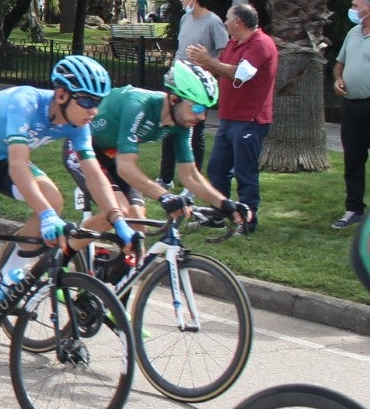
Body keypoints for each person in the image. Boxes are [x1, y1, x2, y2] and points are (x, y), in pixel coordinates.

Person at [0, 56, 136, 372]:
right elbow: (18, 166)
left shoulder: (79, 123)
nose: (93, 109)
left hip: (1, 161)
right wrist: (47, 216)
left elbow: (93, 172)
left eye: (98, 102)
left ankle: (6, 278)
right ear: (62, 94)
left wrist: (118, 219)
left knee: (53, 198)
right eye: (87, 100)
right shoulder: (24, 103)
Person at [69, 64, 248, 274]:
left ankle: (107, 283)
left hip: (112, 154)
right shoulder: (139, 105)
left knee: (139, 226)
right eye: (198, 108)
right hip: (83, 149)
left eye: (206, 110)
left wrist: (225, 204)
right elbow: (126, 167)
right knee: (119, 211)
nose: (202, 117)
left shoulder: (181, 124)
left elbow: (190, 175)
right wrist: (164, 196)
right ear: (174, 99)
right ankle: (63, 251)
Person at [190, 3, 278, 235]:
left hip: (250, 120)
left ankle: (247, 221)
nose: (225, 22)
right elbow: (222, 69)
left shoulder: (260, 44)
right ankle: (218, 216)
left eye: (228, 18)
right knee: (217, 169)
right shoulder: (234, 42)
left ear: (238, 22)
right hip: (229, 118)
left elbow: (241, 74)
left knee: (245, 173)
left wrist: (209, 61)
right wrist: (203, 65)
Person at [162, 0, 231, 185]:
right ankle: (165, 178)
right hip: (176, 81)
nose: (181, 1)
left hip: (197, 86)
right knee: (169, 125)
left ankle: (194, 180)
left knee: (195, 130)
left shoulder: (213, 22)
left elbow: (223, 53)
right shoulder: (185, 18)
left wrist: (209, 73)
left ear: (194, 0)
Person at [334, 0, 370, 228]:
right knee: (353, 158)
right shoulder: (353, 33)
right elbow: (340, 63)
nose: (352, 10)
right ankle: (354, 209)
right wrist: (338, 79)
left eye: (356, 6)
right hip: (351, 106)